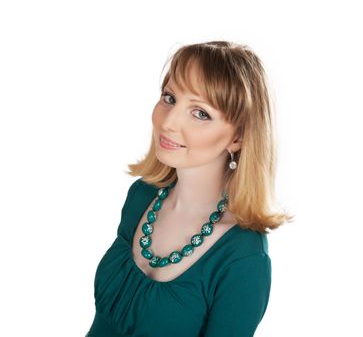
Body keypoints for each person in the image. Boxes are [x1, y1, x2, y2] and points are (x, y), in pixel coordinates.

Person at [86, 40, 292, 336]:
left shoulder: (244, 259)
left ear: (238, 137)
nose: (168, 122)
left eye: (200, 113)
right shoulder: (141, 195)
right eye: (170, 98)